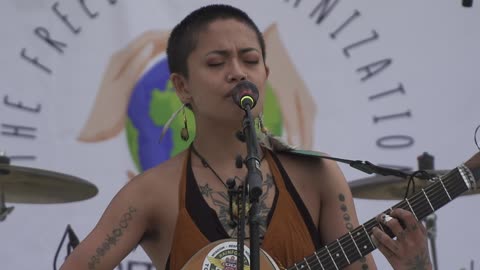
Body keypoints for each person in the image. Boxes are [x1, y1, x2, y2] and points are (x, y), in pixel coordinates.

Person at [61, 4, 433, 270]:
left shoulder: (318, 175)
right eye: (216, 62)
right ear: (181, 86)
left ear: (266, 74)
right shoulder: (150, 193)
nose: (237, 72)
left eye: (250, 60)